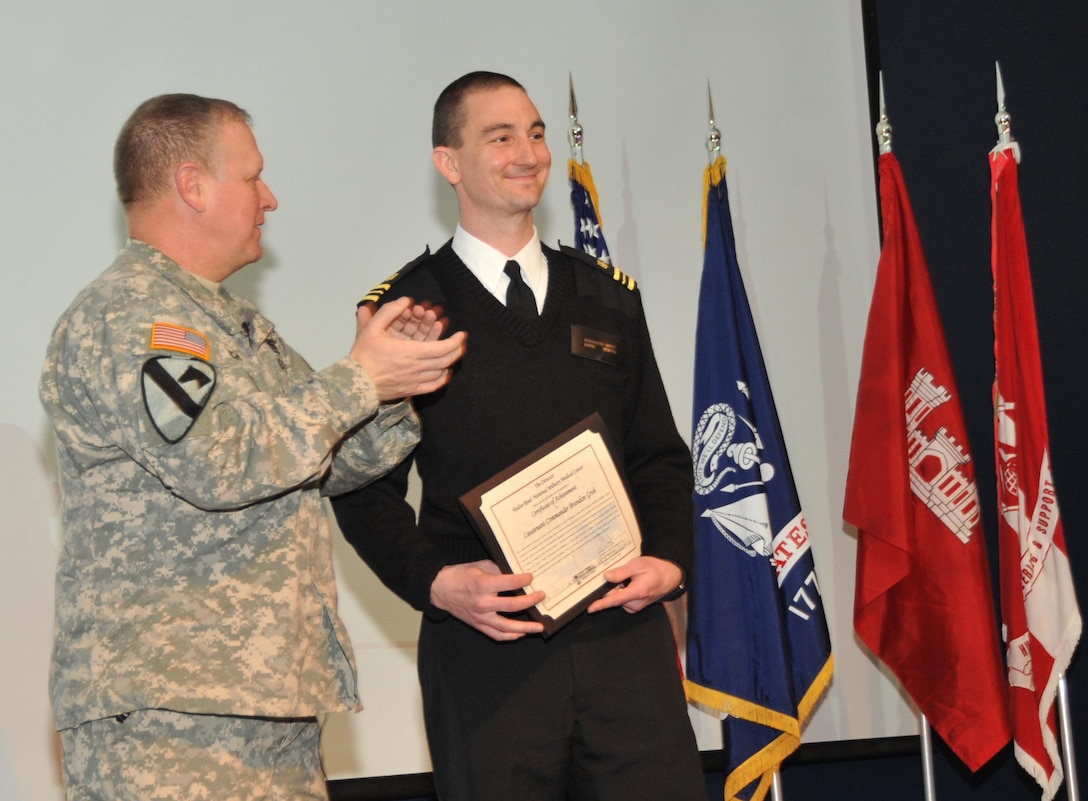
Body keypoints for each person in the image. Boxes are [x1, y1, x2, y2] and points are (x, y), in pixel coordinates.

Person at [39, 93, 466, 801]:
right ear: (192, 185)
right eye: (252, 178)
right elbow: (221, 459)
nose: (270, 198)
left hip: (268, 708)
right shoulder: (131, 314)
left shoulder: (232, 324)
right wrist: (361, 376)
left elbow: (334, 462)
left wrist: (393, 386)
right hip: (171, 721)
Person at [331, 72, 705, 801]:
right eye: (499, 136)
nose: (527, 152)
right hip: (487, 651)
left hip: (622, 637)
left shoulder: (607, 296)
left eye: (534, 133)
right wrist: (438, 584)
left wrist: (666, 561)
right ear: (449, 162)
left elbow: (659, 455)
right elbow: (362, 492)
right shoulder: (407, 314)